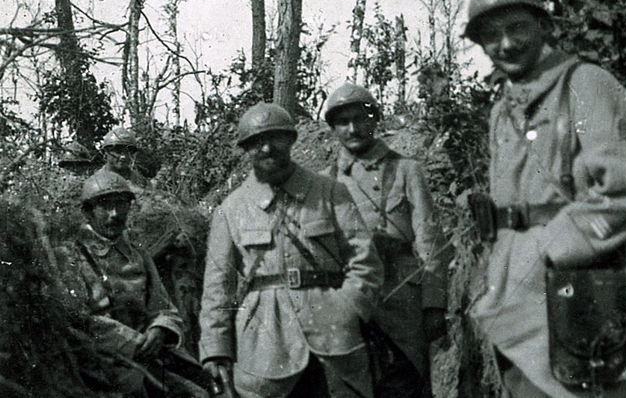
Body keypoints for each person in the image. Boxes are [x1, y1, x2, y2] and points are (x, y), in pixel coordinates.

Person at [464, 0, 626, 398]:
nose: (505, 44)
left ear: (544, 26)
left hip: (577, 283)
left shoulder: (583, 84)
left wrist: (557, 245)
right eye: (490, 35)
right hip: (514, 290)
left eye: (517, 27)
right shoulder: (502, 109)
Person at [198, 102, 384, 398]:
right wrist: (215, 350)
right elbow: (217, 289)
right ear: (246, 149)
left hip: (334, 341)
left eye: (276, 138)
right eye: (256, 142)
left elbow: (365, 263)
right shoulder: (230, 210)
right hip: (263, 347)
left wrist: (347, 310)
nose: (268, 148)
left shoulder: (330, 192)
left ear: (291, 140)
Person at [323, 84, 450, 398]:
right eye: (343, 121)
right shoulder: (325, 182)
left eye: (360, 118)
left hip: (401, 308)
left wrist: (434, 304)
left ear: (374, 120)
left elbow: (430, 240)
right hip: (350, 307)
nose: (353, 128)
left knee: (405, 385)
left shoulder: (406, 170)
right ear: (333, 128)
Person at [54, 169, 208, 397]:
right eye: (105, 206)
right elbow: (79, 321)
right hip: (102, 363)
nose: (115, 214)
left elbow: (163, 307)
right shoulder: (70, 256)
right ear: (88, 212)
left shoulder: (138, 255)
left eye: (121, 205)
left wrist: (160, 329)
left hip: (150, 356)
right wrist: (135, 342)